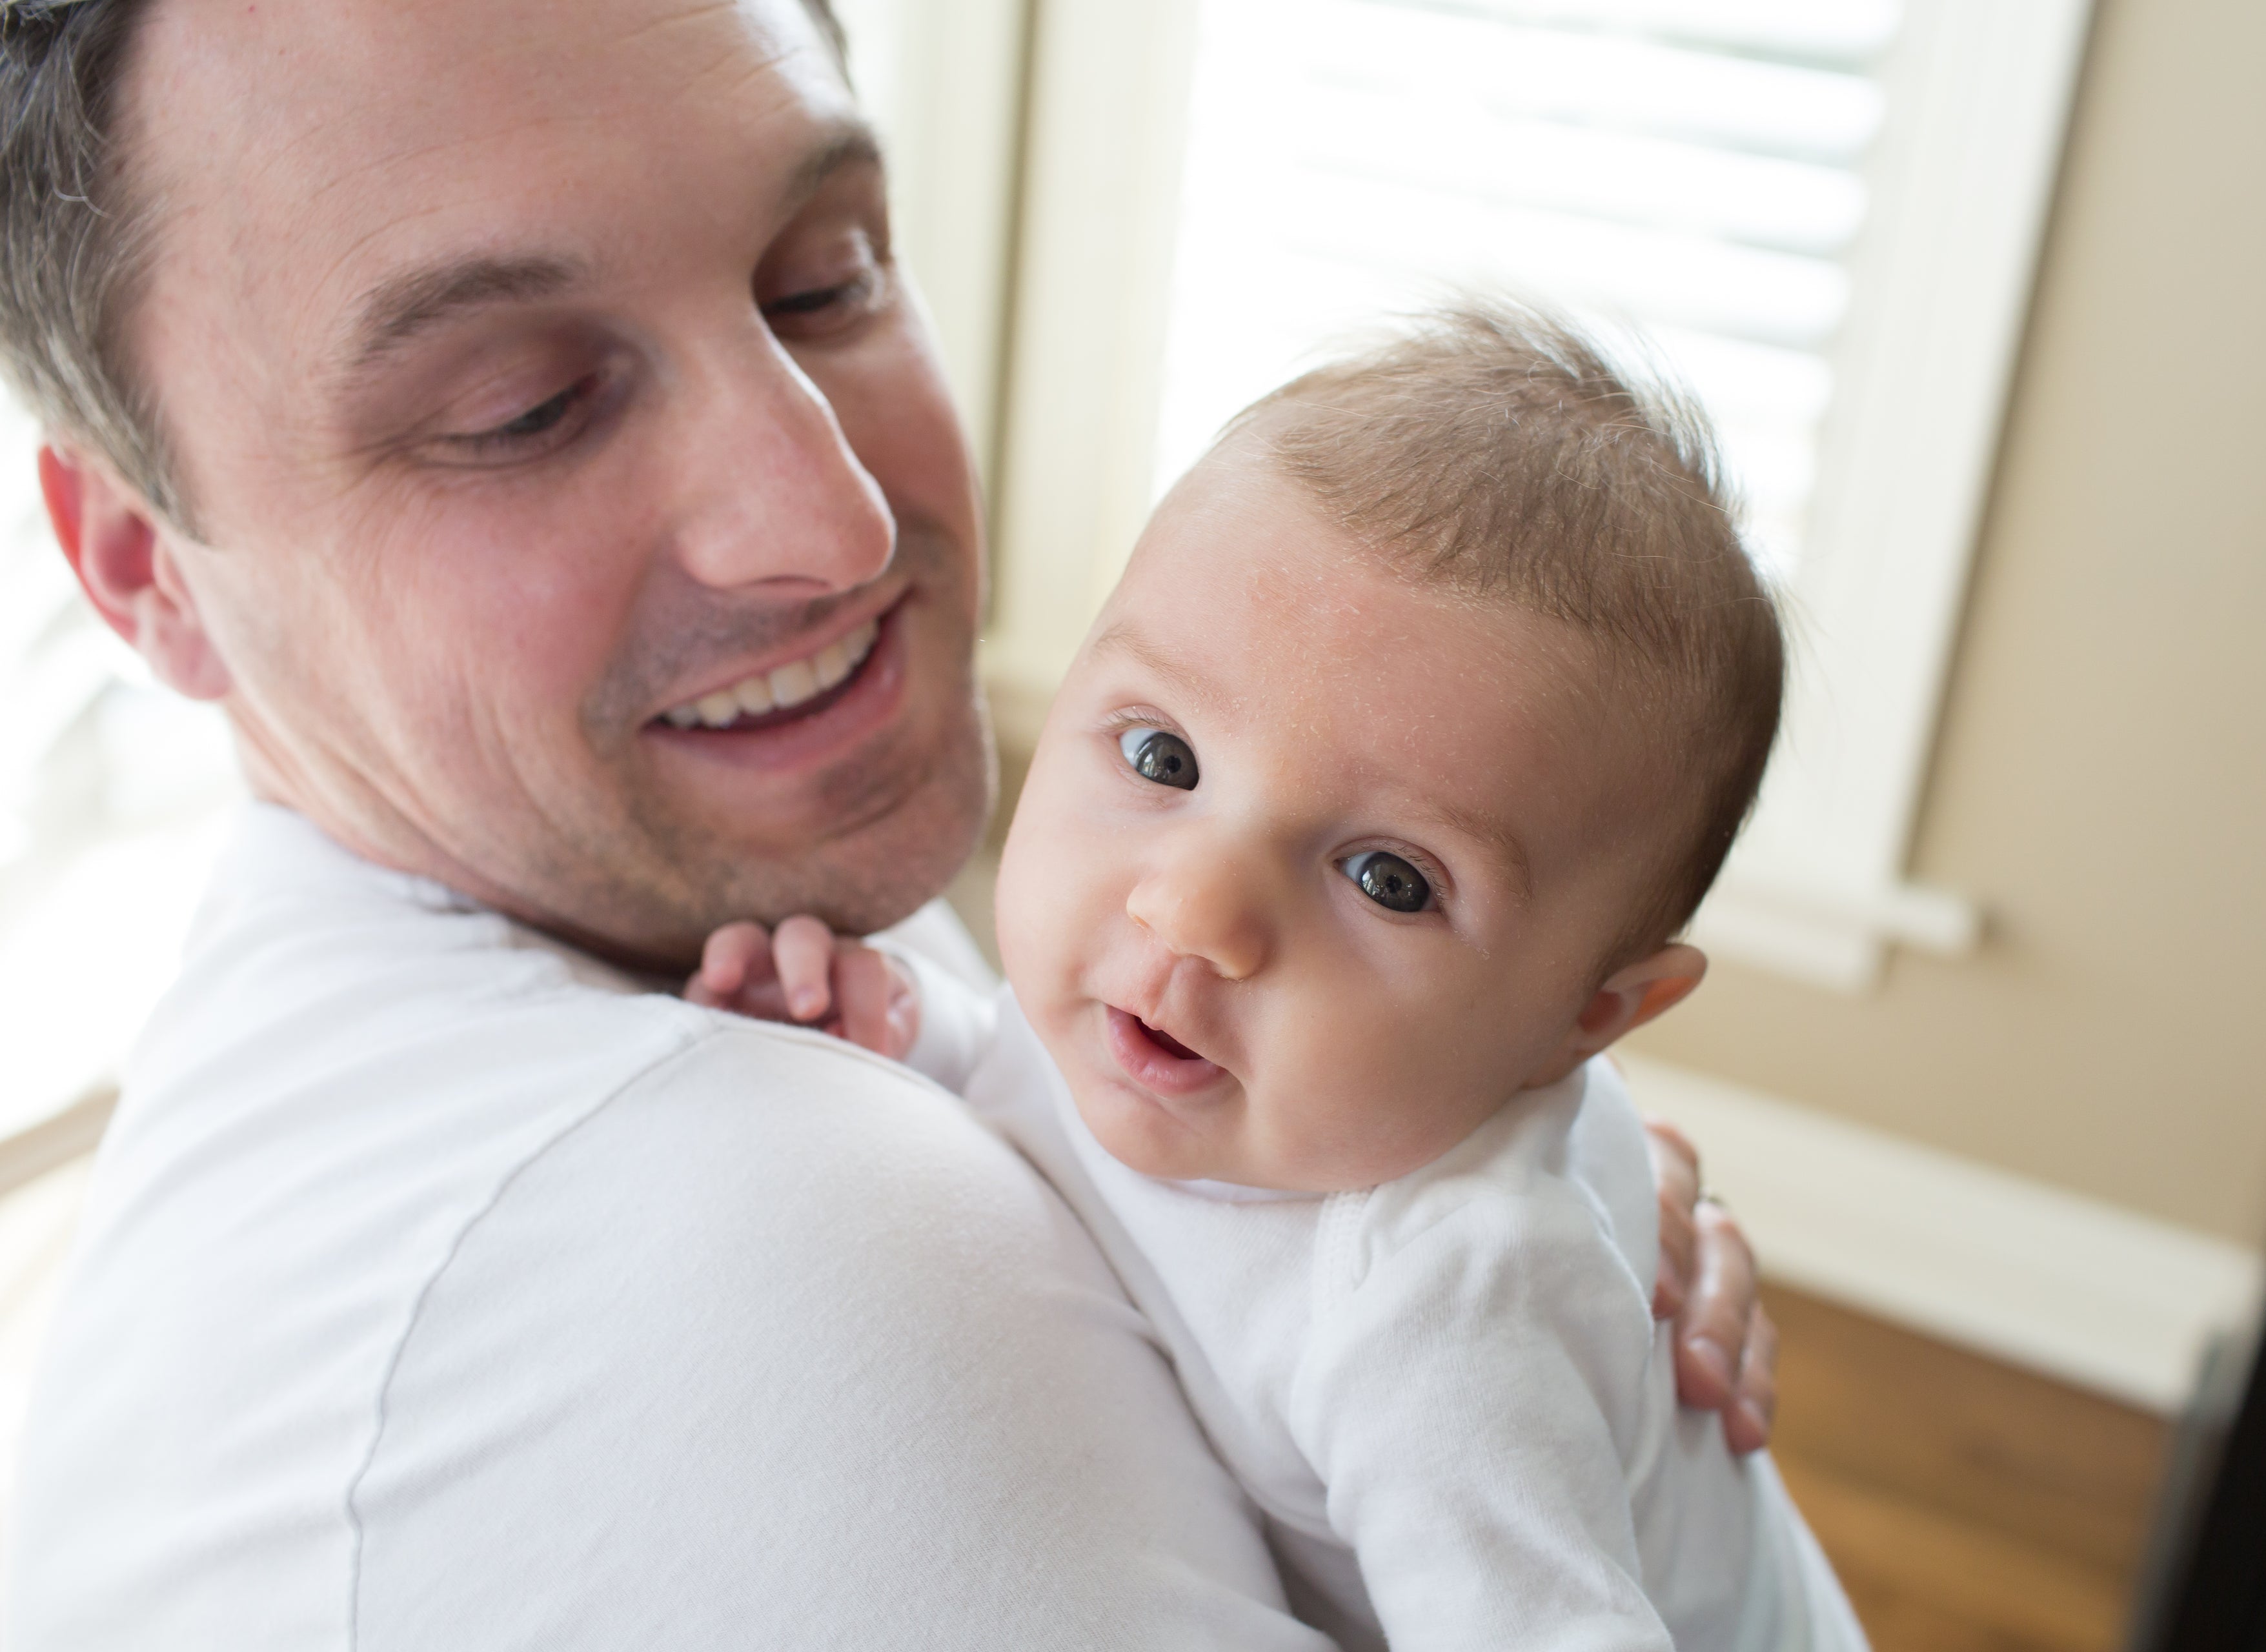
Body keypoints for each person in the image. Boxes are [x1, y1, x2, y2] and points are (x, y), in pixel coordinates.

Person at [0, 0, 1779, 1646]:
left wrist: (1551, 1165)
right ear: (145, 564)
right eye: (522, 408)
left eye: (824, 281)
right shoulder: (780, 1257)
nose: (833, 523)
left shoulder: (694, 886)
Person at [693, 307, 1869, 1651]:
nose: (1192, 910)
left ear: (1586, 1019)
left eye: (1388, 879)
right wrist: (894, 1035)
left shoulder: (1438, 1317)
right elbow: (1045, 1107)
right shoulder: (1200, 1039)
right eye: (1164, 758)